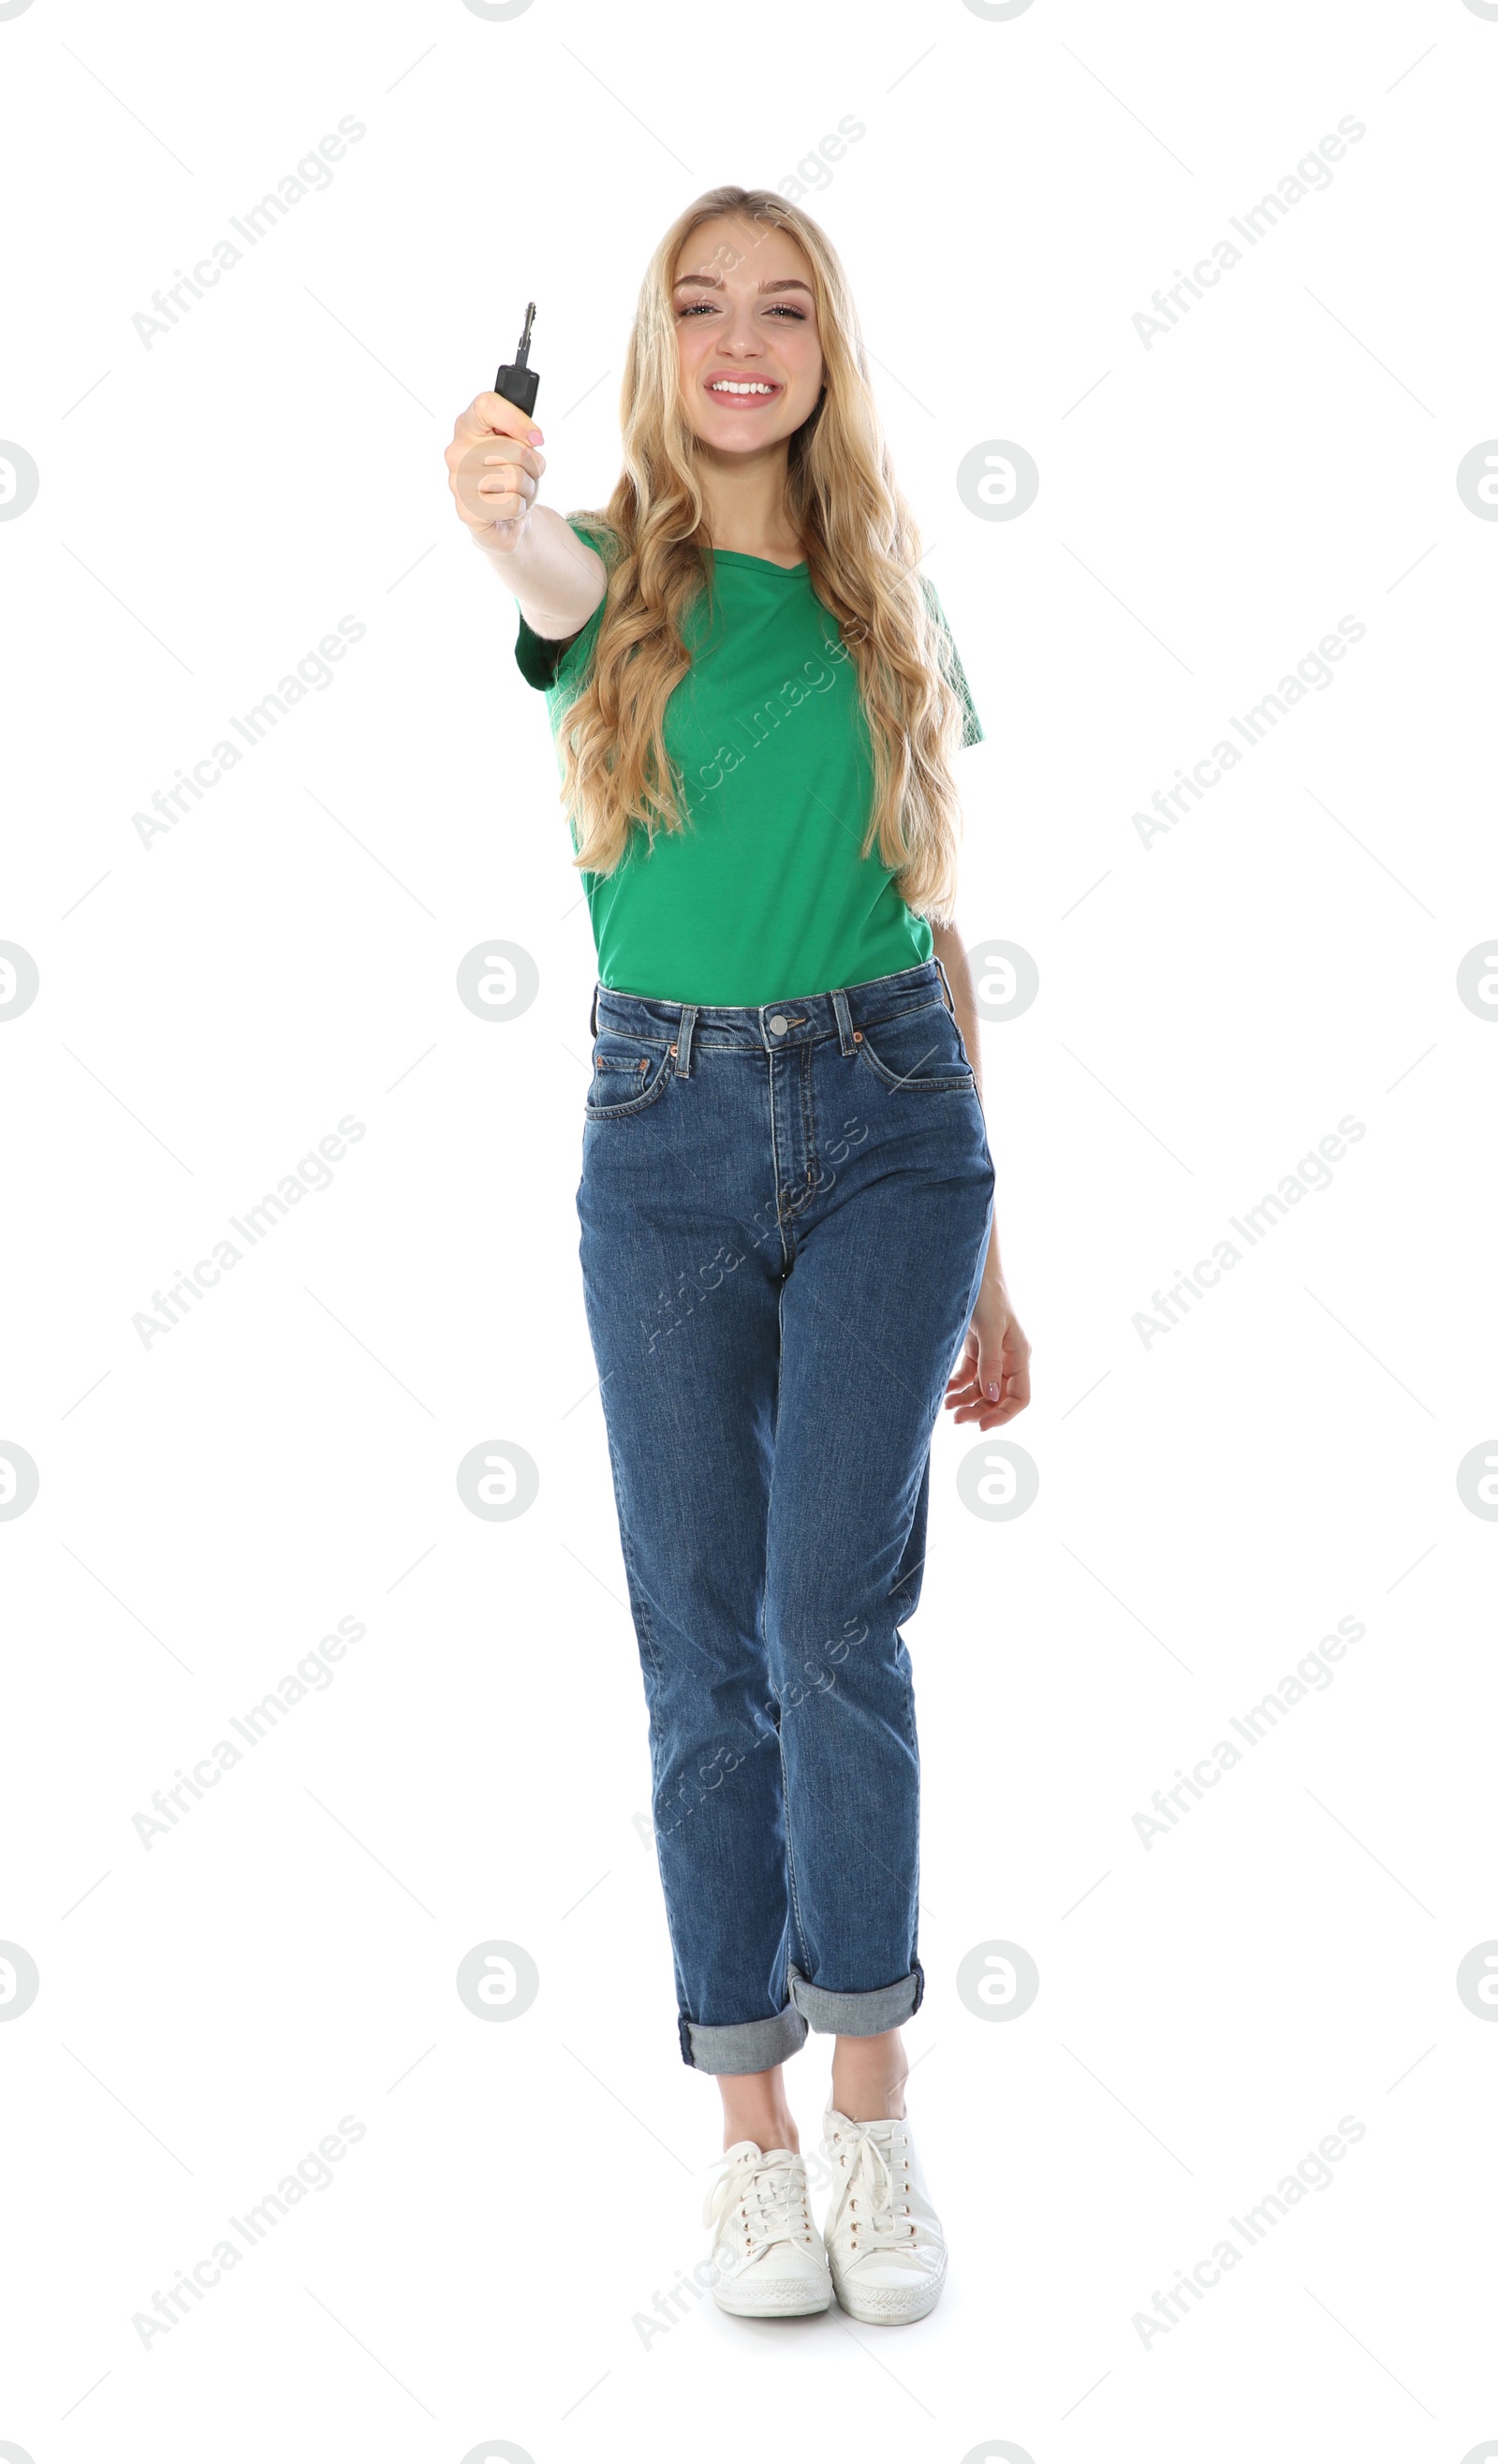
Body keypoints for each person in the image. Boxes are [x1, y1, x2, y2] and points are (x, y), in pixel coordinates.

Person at [445, 184, 1031, 2328]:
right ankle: (752, 2140)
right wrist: (483, 497)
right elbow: (521, 562)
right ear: (657, 344)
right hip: (661, 1137)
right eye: (700, 307)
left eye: (780, 306)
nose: (740, 340)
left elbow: (935, 927)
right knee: (699, 1641)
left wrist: (991, 1272)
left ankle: (872, 2101)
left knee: (825, 1618)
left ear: (825, 349)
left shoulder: (887, 598)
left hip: (892, 1123)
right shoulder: (608, 573)